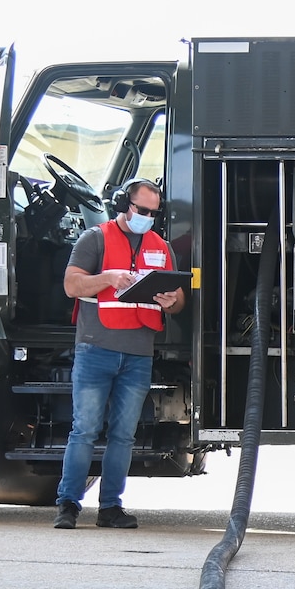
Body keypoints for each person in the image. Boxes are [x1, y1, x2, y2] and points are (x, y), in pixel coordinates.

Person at [54, 178, 185, 528]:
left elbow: (178, 299)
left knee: (123, 435)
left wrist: (172, 301)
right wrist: (109, 277)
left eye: (154, 213)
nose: (147, 218)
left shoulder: (161, 246)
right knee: (84, 430)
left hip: (138, 355)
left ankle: (110, 507)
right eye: (142, 210)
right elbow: (71, 284)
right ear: (122, 205)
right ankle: (68, 504)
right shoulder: (94, 238)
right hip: (97, 349)